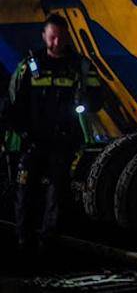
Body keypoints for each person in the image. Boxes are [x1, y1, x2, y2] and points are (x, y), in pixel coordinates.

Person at [1, 14, 103, 249]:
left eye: (60, 37)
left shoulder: (80, 67)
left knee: (57, 193)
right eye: (52, 37)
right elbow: (13, 103)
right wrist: (20, 133)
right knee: (25, 192)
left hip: (63, 141)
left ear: (67, 37)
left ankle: (49, 244)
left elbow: (98, 100)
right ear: (45, 36)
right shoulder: (30, 66)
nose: (56, 42)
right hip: (32, 141)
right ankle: (23, 241)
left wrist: (85, 99)